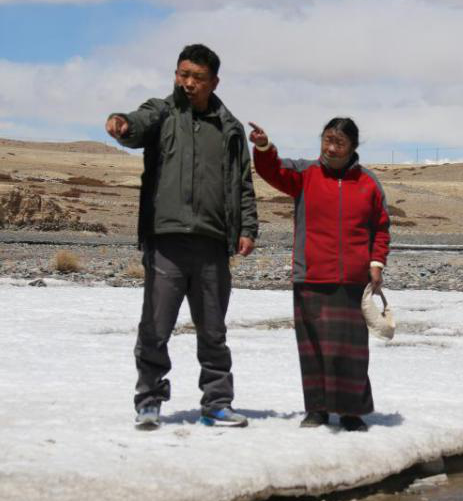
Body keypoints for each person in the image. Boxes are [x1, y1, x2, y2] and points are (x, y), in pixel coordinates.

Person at [105, 43, 258, 429]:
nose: (188, 83)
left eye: (197, 78)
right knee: (155, 327)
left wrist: (248, 228)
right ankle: (149, 400)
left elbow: (242, 184)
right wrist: (122, 123)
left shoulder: (230, 128)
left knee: (213, 330)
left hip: (211, 243)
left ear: (214, 82)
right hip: (166, 240)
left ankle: (217, 403)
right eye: (182, 74)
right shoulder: (163, 112)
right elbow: (138, 123)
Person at [249, 118, 390, 431]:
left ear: (353, 146)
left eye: (339, 142)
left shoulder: (368, 183)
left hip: (353, 280)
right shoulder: (304, 174)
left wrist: (376, 263)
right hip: (311, 277)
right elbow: (272, 170)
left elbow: (381, 227)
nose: (330, 148)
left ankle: (352, 412)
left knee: (352, 353)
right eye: (327, 140)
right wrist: (262, 146)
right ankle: (317, 410)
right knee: (313, 349)